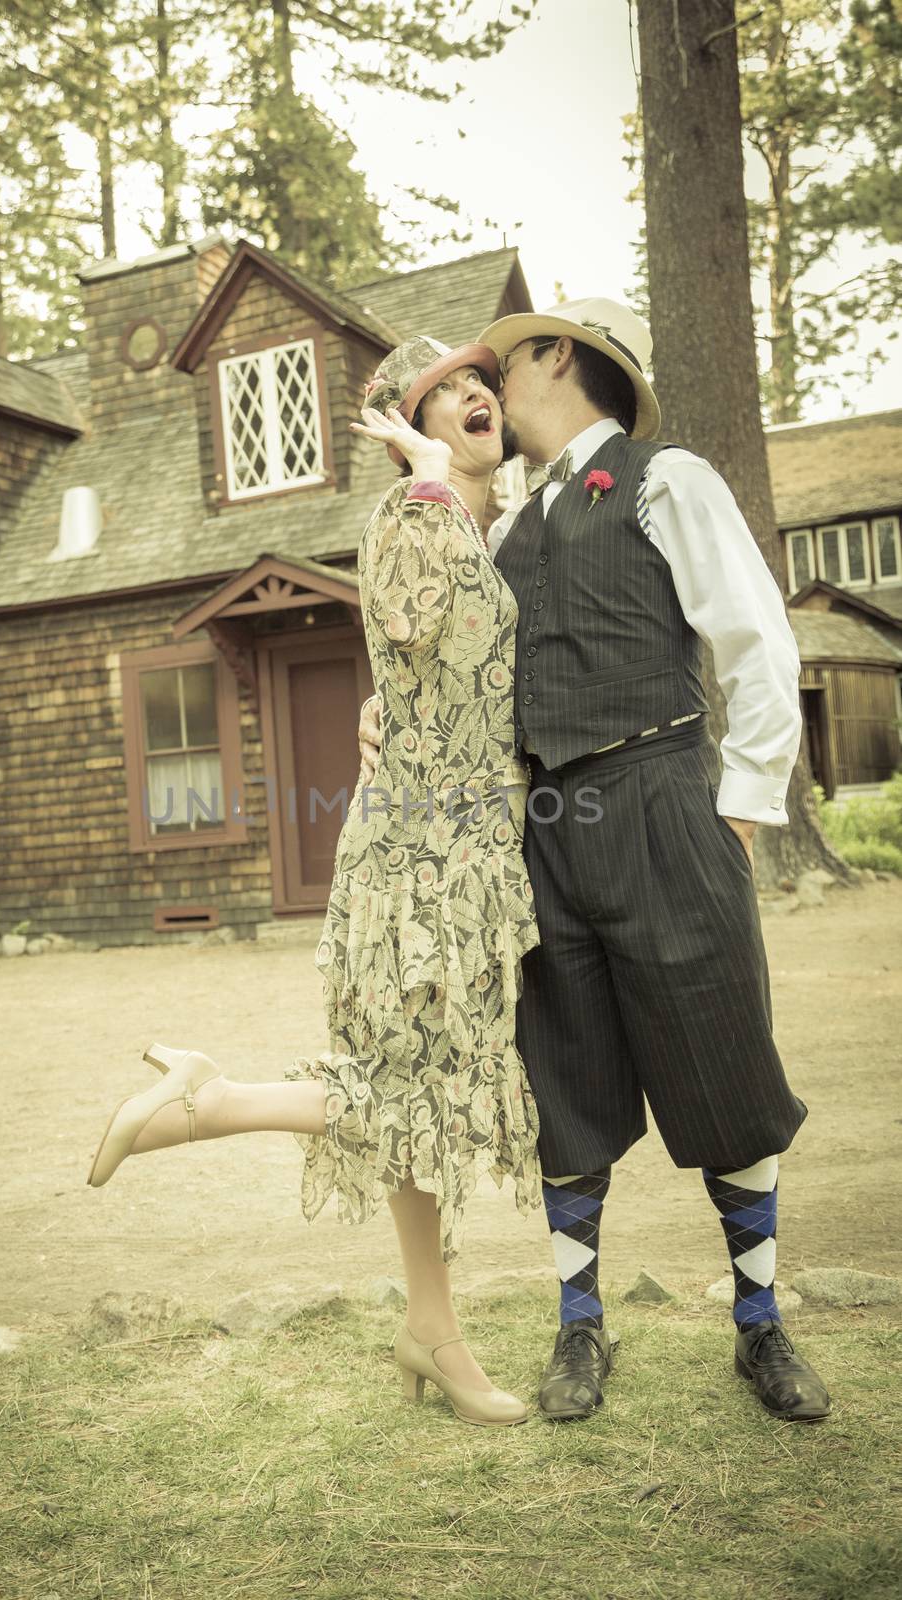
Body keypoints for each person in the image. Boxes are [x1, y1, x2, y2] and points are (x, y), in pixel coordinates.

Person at [358, 298, 831, 1424]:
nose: (487, 385)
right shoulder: (509, 524)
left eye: (501, 362)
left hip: (665, 801)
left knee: (723, 1065)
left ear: (555, 359)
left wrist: (741, 809)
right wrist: (388, 703)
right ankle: (580, 1329)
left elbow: (755, 639)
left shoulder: (666, 478)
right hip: (546, 834)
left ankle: (759, 1327)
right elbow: (463, 655)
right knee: (562, 1081)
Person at [87, 335, 544, 1428]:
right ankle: (217, 1099)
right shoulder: (409, 515)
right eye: (445, 397)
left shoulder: (490, 526)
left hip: (468, 847)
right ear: (412, 436)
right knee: (416, 1095)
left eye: (480, 385)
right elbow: (404, 623)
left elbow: (437, 672)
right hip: (419, 860)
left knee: (421, 1102)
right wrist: (427, 490)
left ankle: (429, 1329)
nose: (474, 398)